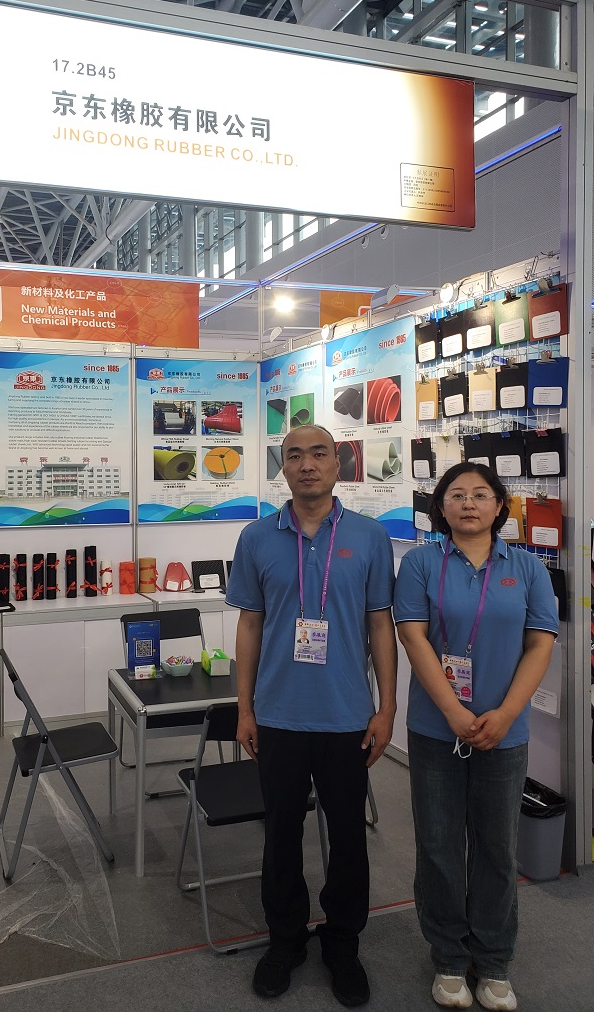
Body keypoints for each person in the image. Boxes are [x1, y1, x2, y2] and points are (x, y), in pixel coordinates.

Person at [225, 424, 397, 1007]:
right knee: (280, 835)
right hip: (278, 715)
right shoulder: (257, 537)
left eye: (318, 454)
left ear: (337, 464)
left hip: (347, 716)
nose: (306, 464)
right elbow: (249, 624)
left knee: (348, 836)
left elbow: (380, 625)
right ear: (283, 467)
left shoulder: (370, 536)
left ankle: (343, 944)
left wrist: (387, 707)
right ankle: (286, 941)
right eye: (294, 455)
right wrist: (244, 707)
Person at [394, 462, 557, 1012]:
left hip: (504, 734)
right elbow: (412, 636)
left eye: (481, 494)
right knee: (439, 845)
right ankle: (447, 956)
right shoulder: (420, 563)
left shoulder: (528, 567)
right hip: (436, 729)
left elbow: (540, 643)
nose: (468, 503)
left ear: (499, 506)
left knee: (496, 847)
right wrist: (453, 711)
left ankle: (493, 962)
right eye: (457, 494)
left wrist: (506, 713)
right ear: (440, 507)